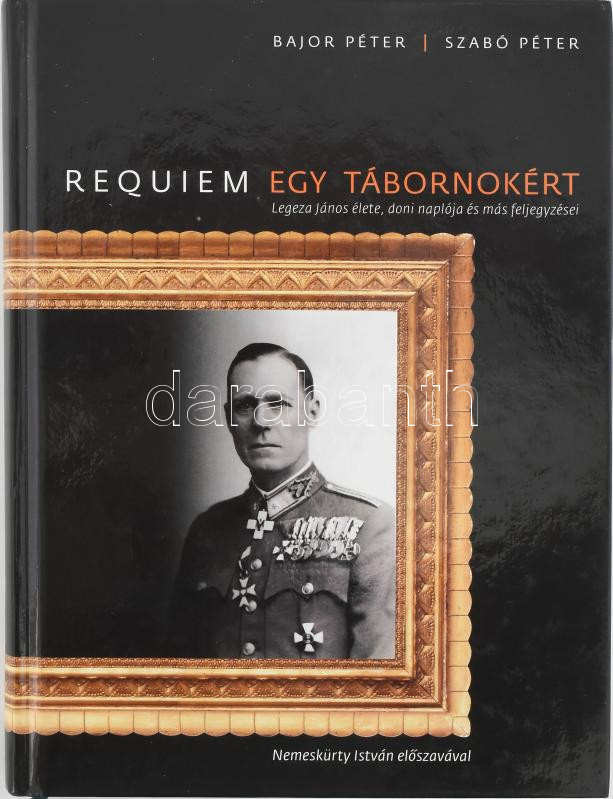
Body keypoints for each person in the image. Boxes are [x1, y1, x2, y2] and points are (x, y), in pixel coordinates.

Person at [169, 342, 395, 659]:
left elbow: (378, 677)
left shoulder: (369, 526)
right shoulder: (207, 531)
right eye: (245, 406)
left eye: (278, 404)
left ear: (312, 411)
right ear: (228, 419)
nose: (261, 421)